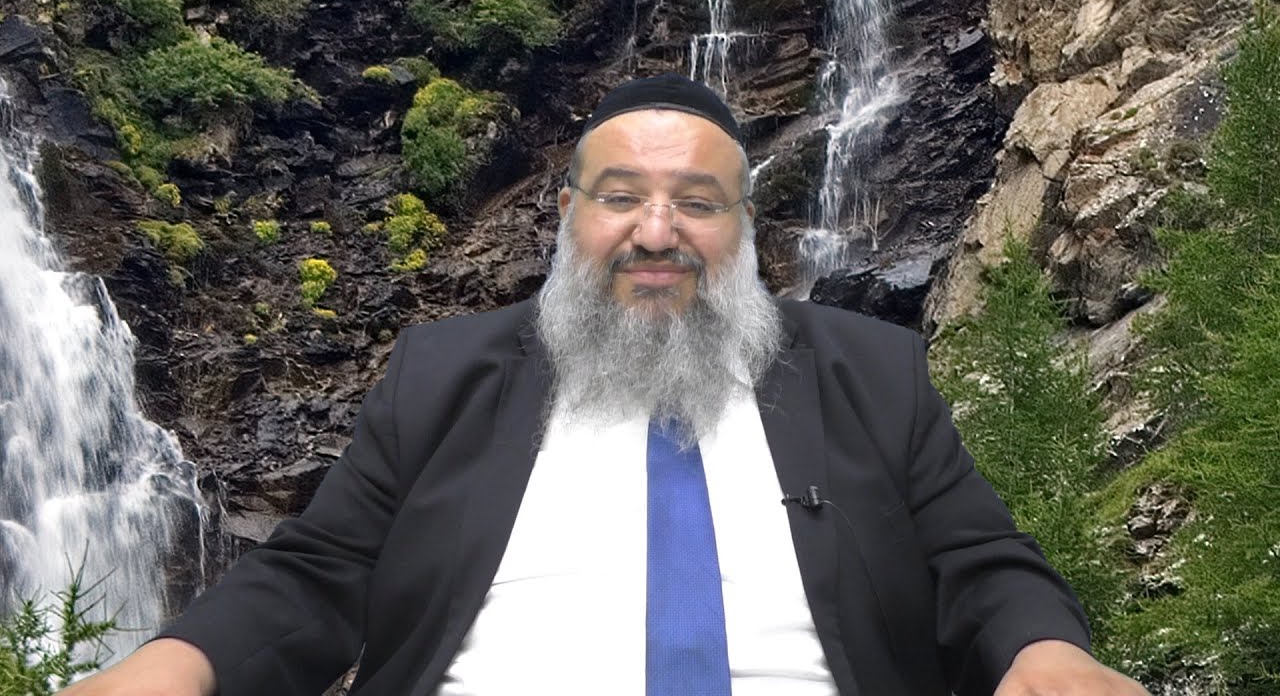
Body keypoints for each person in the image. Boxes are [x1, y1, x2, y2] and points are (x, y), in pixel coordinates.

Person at [61, 74, 1148, 696]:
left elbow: (980, 562)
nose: (656, 232)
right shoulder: (446, 372)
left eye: (697, 203)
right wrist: (179, 663)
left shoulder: (871, 371)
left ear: (744, 229)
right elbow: (317, 573)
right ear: (568, 216)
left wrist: (1045, 652)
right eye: (621, 196)